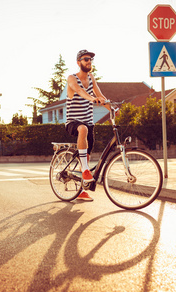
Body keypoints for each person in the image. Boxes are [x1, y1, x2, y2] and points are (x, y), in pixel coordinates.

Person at [65, 49, 112, 201]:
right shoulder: (72, 78)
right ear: (78, 62)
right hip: (73, 122)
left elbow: (100, 96)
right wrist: (92, 99)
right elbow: (79, 90)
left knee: (86, 154)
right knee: (82, 129)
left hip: (89, 122)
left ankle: (81, 190)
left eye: (90, 59)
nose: (89, 61)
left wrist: (112, 109)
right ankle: (85, 170)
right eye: (86, 59)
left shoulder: (91, 77)